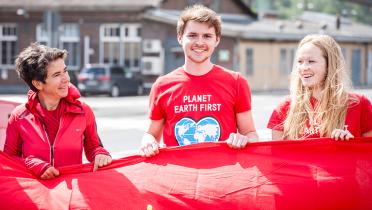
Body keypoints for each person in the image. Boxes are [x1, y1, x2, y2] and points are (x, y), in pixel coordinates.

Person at [139, 4, 258, 157]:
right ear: (180, 38)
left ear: (217, 40)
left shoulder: (236, 81)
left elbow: (251, 134)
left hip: (222, 175)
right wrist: (147, 142)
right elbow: (151, 134)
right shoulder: (162, 85)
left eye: (207, 36)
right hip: (179, 176)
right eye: (192, 35)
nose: (199, 42)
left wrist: (244, 139)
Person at [4, 43, 112, 179]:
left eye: (65, 70)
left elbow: (93, 147)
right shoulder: (19, 116)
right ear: (38, 84)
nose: (66, 79)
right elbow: (8, 161)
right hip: (37, 194)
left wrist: (100, 153)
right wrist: (31, 163)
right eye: (57, 75)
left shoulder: (83, 111)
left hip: (71, 194)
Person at [267, 34, 372, 140]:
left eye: (311, 61)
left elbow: (367, 152)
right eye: (300, 62)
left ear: (329, 65)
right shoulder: (285, 108)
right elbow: (277, 155)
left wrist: (350, 144)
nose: (303, 67)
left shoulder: (359, 105)